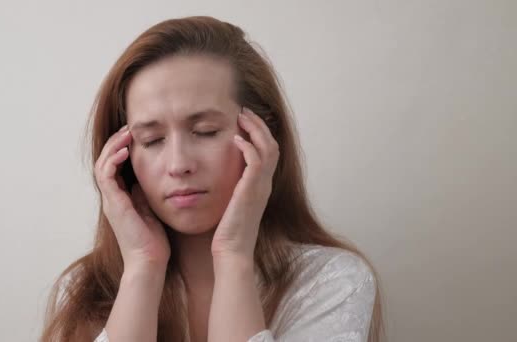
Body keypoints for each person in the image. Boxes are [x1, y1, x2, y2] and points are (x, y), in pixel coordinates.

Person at [41, 16, 384, 342]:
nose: (178, 164)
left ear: (262, 137)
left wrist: (233, 257)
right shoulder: (85, 290)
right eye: (152, 140)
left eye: (205, 132)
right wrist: (143, 268)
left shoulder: (332, 281)